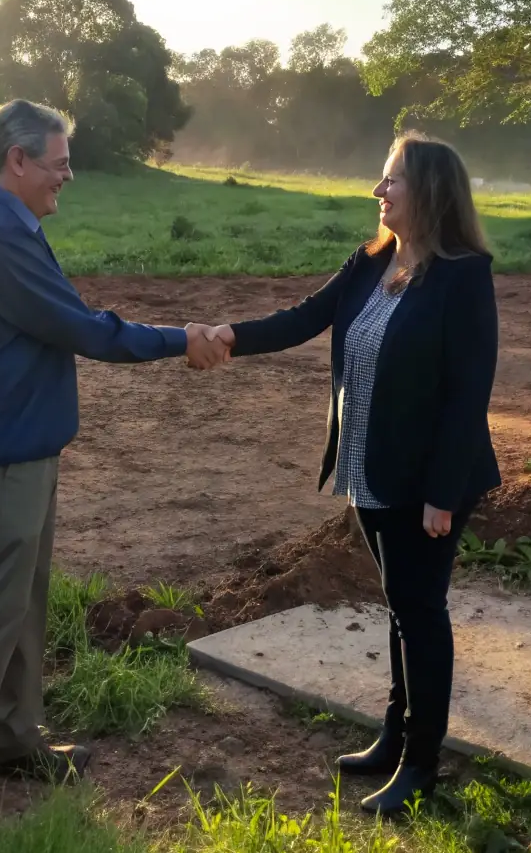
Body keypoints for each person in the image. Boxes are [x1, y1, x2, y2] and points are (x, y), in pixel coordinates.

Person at [0, 99, 227, 827]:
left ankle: (13, 739)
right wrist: (182, 337)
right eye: (58, 161)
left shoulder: (5, 223)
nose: (68, 175)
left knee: (23, 598)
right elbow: (81, 328)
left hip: (23, 439)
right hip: (5, 444)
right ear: (17, 160)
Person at [209, 133, 499, 815]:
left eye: (392, 179)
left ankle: (422, 764)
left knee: (420, 614)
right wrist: (230, 335)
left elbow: (468, 392)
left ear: (429, 190)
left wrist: (440, 493)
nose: (379, 190)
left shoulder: (464, 275)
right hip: (370, 468)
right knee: (401, 607)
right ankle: (394, 735)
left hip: (428, 482)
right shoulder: (371, 263)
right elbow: (304, 318)